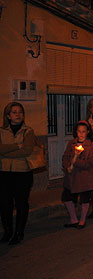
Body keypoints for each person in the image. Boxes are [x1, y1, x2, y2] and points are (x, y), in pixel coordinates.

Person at [0, 102, 36, 244]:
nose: (18, 115)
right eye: (14, 112)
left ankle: (18, 233)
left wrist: (6, 153)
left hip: (22, 173)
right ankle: (8, 232)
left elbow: (27, 151)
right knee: (4, 204)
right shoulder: (2, 131)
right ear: (8, 115)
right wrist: (16, 146)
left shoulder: (28, 131)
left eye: (20, 112)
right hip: (4, 173)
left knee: (21, 203)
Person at [62, 121, 93, 229]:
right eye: (79, 131)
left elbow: (90, 163)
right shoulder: (71, 144)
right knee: (67, 196)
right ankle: (73, 219)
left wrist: (75, 161)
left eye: (83, 132)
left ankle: (82, 220)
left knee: (84, 198)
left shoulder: (90, 147)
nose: (81, 134)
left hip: (84, 177)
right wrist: (68, 165)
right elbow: (65, 156)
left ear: (87, 133)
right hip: (72, 176)